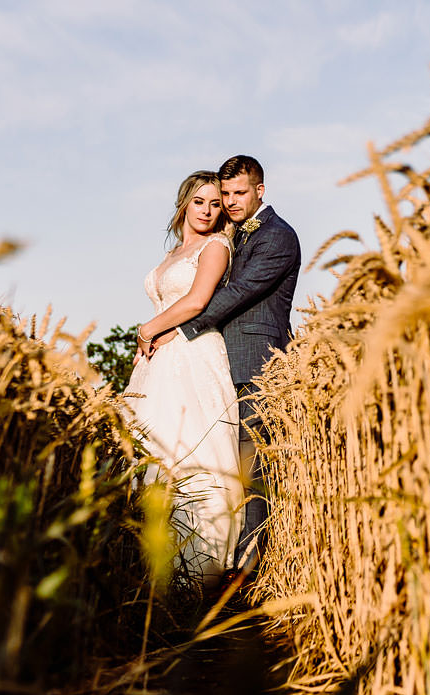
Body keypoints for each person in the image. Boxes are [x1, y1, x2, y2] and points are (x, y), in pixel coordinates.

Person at [160, 154, 300, 573]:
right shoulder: (230, 235)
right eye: (226, 195)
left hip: (255, 363)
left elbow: (239, 290)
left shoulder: (277, 236)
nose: (232, 202)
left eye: (240, 193)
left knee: (249, 466)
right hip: (217, 364)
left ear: (261, 190)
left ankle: (248, 568)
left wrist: (181, 331)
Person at [123, 170, 243, 578]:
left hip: (191, 354)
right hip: (157, 360)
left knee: (191, 449)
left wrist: (147, 329)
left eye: (215, 203)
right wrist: (150, 344)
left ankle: (196, 566)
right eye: (200, 202)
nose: (208, 210)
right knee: (152, 449)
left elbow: (196, 301)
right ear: (184, 203)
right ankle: (147, 561)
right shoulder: (174, 251)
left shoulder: (215, 247)